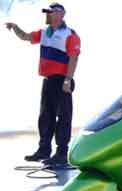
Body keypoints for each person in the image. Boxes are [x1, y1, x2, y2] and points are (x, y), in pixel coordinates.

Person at [5, 2, 80, 166]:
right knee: (46, 115)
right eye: (47, 12)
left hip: (62, 80)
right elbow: (27, 37)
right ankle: (44, 149)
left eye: (50, 12)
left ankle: (61, 153)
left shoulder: (70, 34)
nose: (47, 15)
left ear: (60, 14)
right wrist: (15, 28)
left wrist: (68, 79)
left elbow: (74, 58)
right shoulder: (45, 32)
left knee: (64, 116)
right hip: (48, 80)